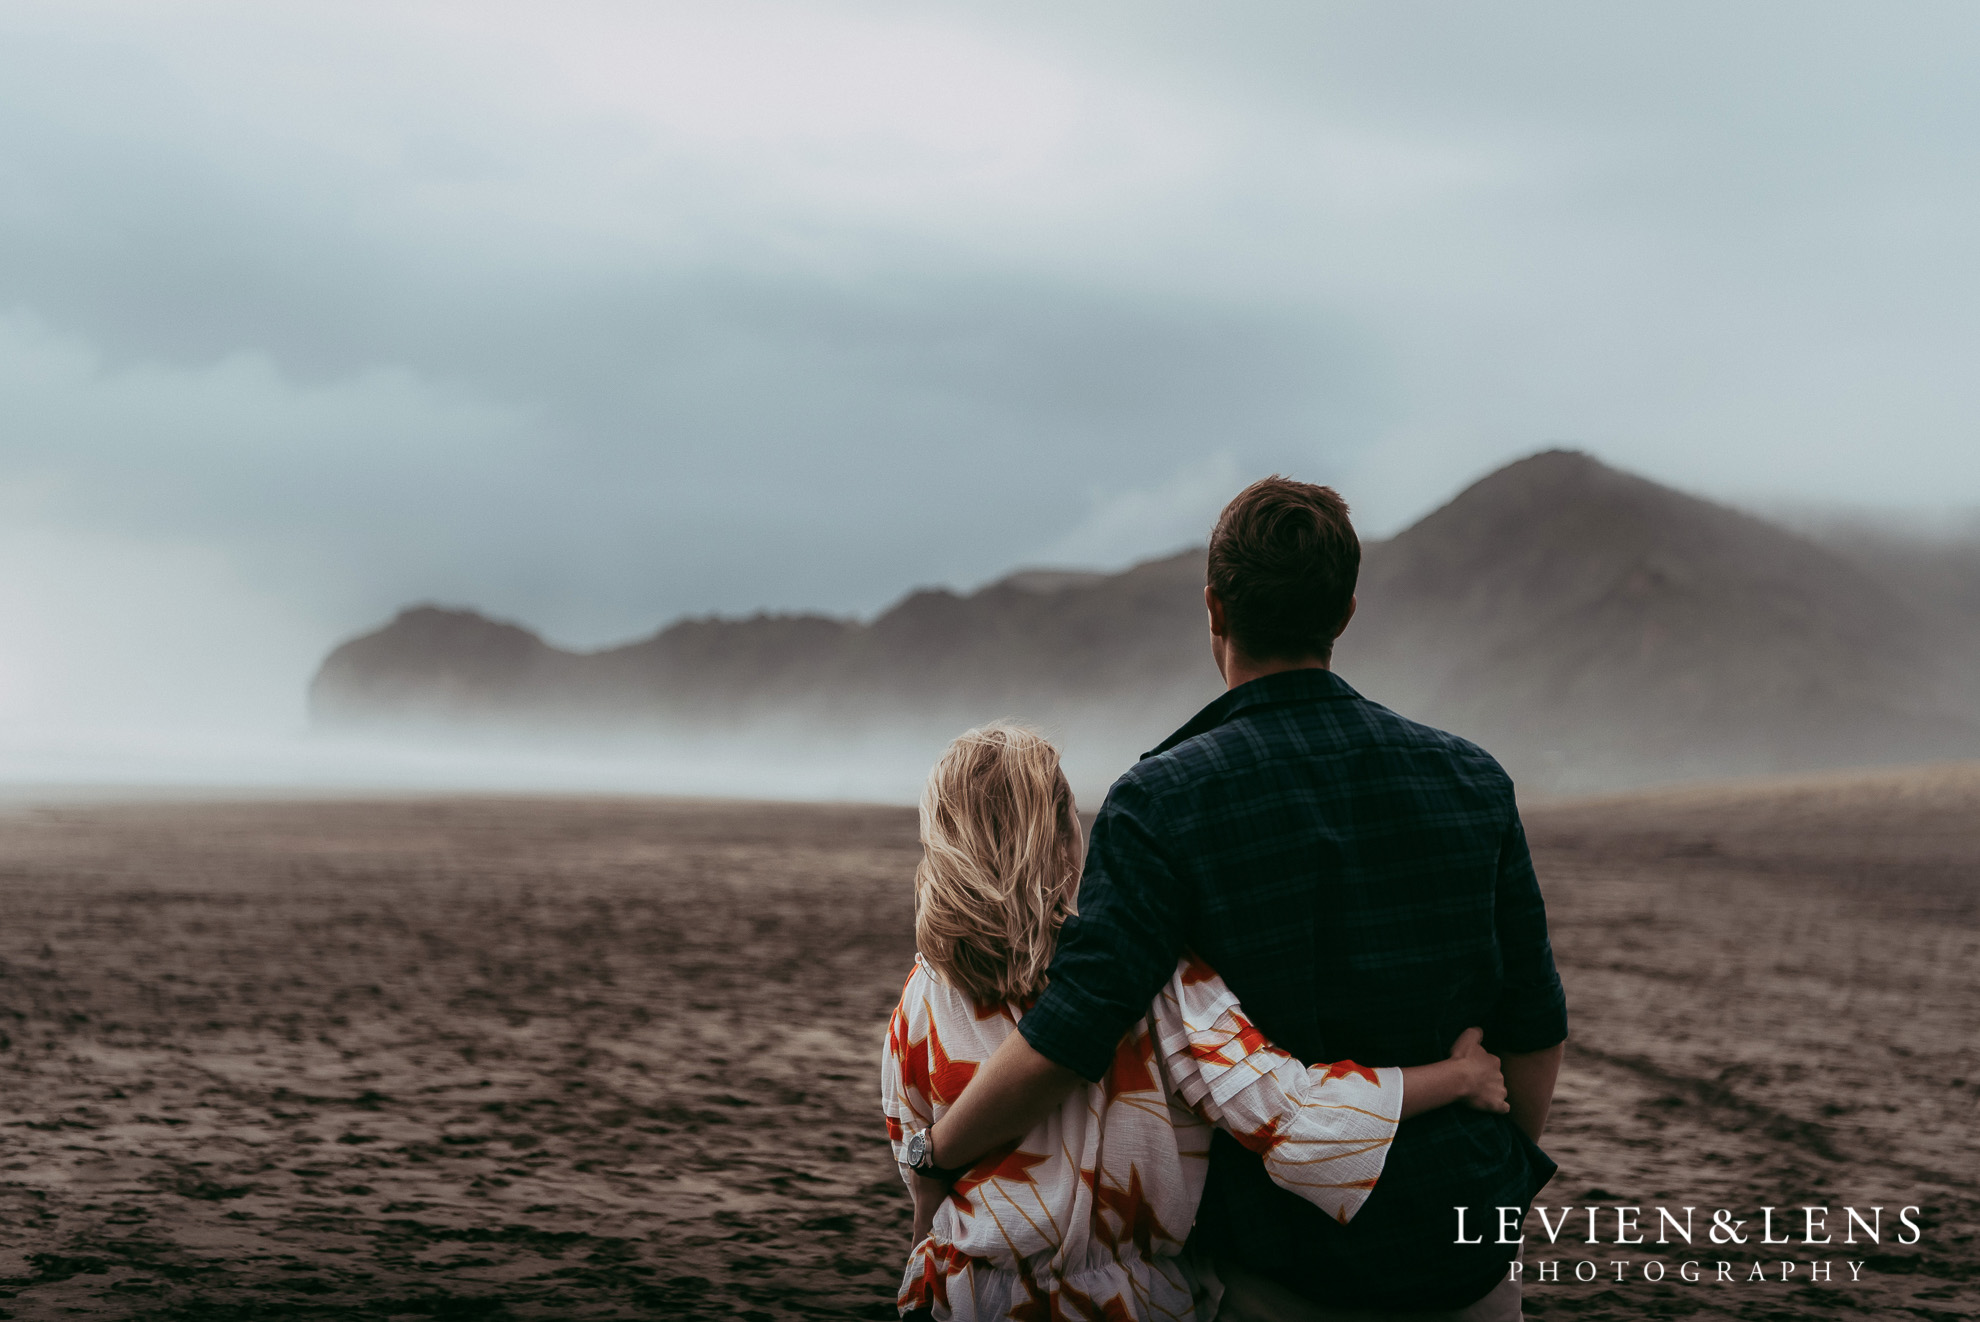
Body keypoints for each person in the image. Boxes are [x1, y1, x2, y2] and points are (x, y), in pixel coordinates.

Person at [909, 478, 1569, 1321]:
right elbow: (1535, 1026)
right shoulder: (1473, 780)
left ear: (1214, 607)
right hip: (1467, 1261)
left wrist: (937, 1157)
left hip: (1281, 1268)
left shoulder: (1163, 800)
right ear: (1347, 611)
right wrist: (1495, 1181)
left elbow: (1071, 1036)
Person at [883, 724, 1510, 1322]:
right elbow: (1293, 1116)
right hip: (1124, 1303)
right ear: (1063, 839)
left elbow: (916, 1155)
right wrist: (1457, 1078)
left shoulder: (920, 998)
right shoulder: (1156, 980)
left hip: (957, 1294)